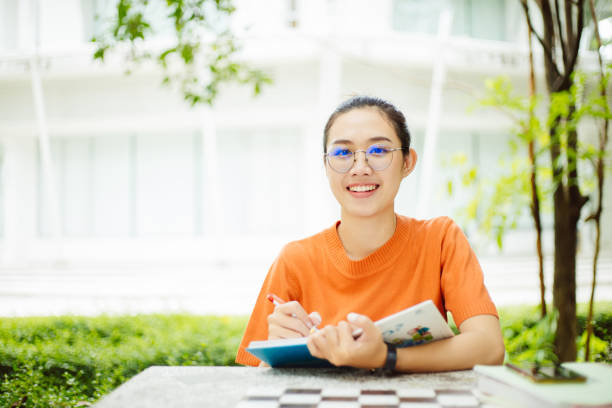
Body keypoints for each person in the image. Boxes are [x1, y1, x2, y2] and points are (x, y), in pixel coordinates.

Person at [235, 95, 505, 372]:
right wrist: (277, 350)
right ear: (326, 166)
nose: (360, 168)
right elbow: (256, 378)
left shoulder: (440, 239)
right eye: (342, 153)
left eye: (378, 151)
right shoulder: (295, 259)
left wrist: (385, 358)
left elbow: (489, 347)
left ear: (407, 162)